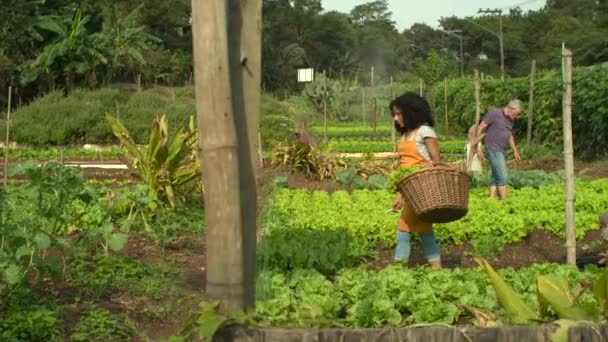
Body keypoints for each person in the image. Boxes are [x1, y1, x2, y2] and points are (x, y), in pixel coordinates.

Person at [390, 92, 442, 268]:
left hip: (422, 190)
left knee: (404, 231)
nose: (395, 119)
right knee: (425, 232)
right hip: (410, 190)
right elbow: (404, 167)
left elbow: (436, 162)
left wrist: (426, 168)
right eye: (394, 115)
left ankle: (398, 270)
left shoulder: (425, 131)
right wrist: (400, 195)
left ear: (410, 112)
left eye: (398, 114)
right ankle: (438, 271)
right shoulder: (406, 135)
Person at [476, 99, 524, 200]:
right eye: (517, 113)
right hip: (492, 148)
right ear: (512, 108)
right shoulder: (495, 113)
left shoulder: (510, 120)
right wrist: (477, 146)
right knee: (502, 176)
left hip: (501, 150)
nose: (517, 116)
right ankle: (504, 202)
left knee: (495, 176)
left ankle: (492, 199)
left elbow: (509, 135)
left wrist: (515, 150)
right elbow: (480, 127)